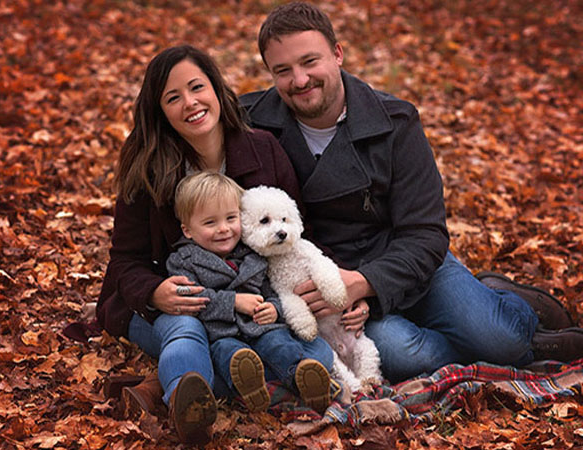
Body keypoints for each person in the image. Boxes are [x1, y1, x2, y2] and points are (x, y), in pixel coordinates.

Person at [240, 1, 582, 385]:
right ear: (269, 73)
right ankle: (512, 341)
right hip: (329, 285)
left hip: (406, 262)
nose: (299, 80)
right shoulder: (253, 124)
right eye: (282, 70)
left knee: (498, 338)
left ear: (337, 54)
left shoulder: (395, 121)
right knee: (398, 354)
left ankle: (517, 311)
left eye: (310, 62)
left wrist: (365, 283)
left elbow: (426, 232)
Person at [96, 44, 310, 444]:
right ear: (159, 110)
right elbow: (125, 259)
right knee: (187, 326)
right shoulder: (147, 163)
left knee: (266, 337)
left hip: (249, 299)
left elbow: (294, 229)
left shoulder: (263, 149)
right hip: (170, 299)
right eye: (172, 97)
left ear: (216, 88)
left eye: (197, 87)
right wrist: (154, 292)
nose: (189, 103)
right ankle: (187, 407)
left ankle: (158, 388)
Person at [166, 171, 334, 415]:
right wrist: (233, 302)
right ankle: (249, 386)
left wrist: (274, 308)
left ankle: (303, 377)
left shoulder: (254, 254)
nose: (223, 229)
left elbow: (272, 290)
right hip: (222, 333)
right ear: (188, 230)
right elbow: (192, 298)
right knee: (229, 353)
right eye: (210, 223)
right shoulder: (184, 261)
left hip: (260, 328)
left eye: (231, 218)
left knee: (278, 342)